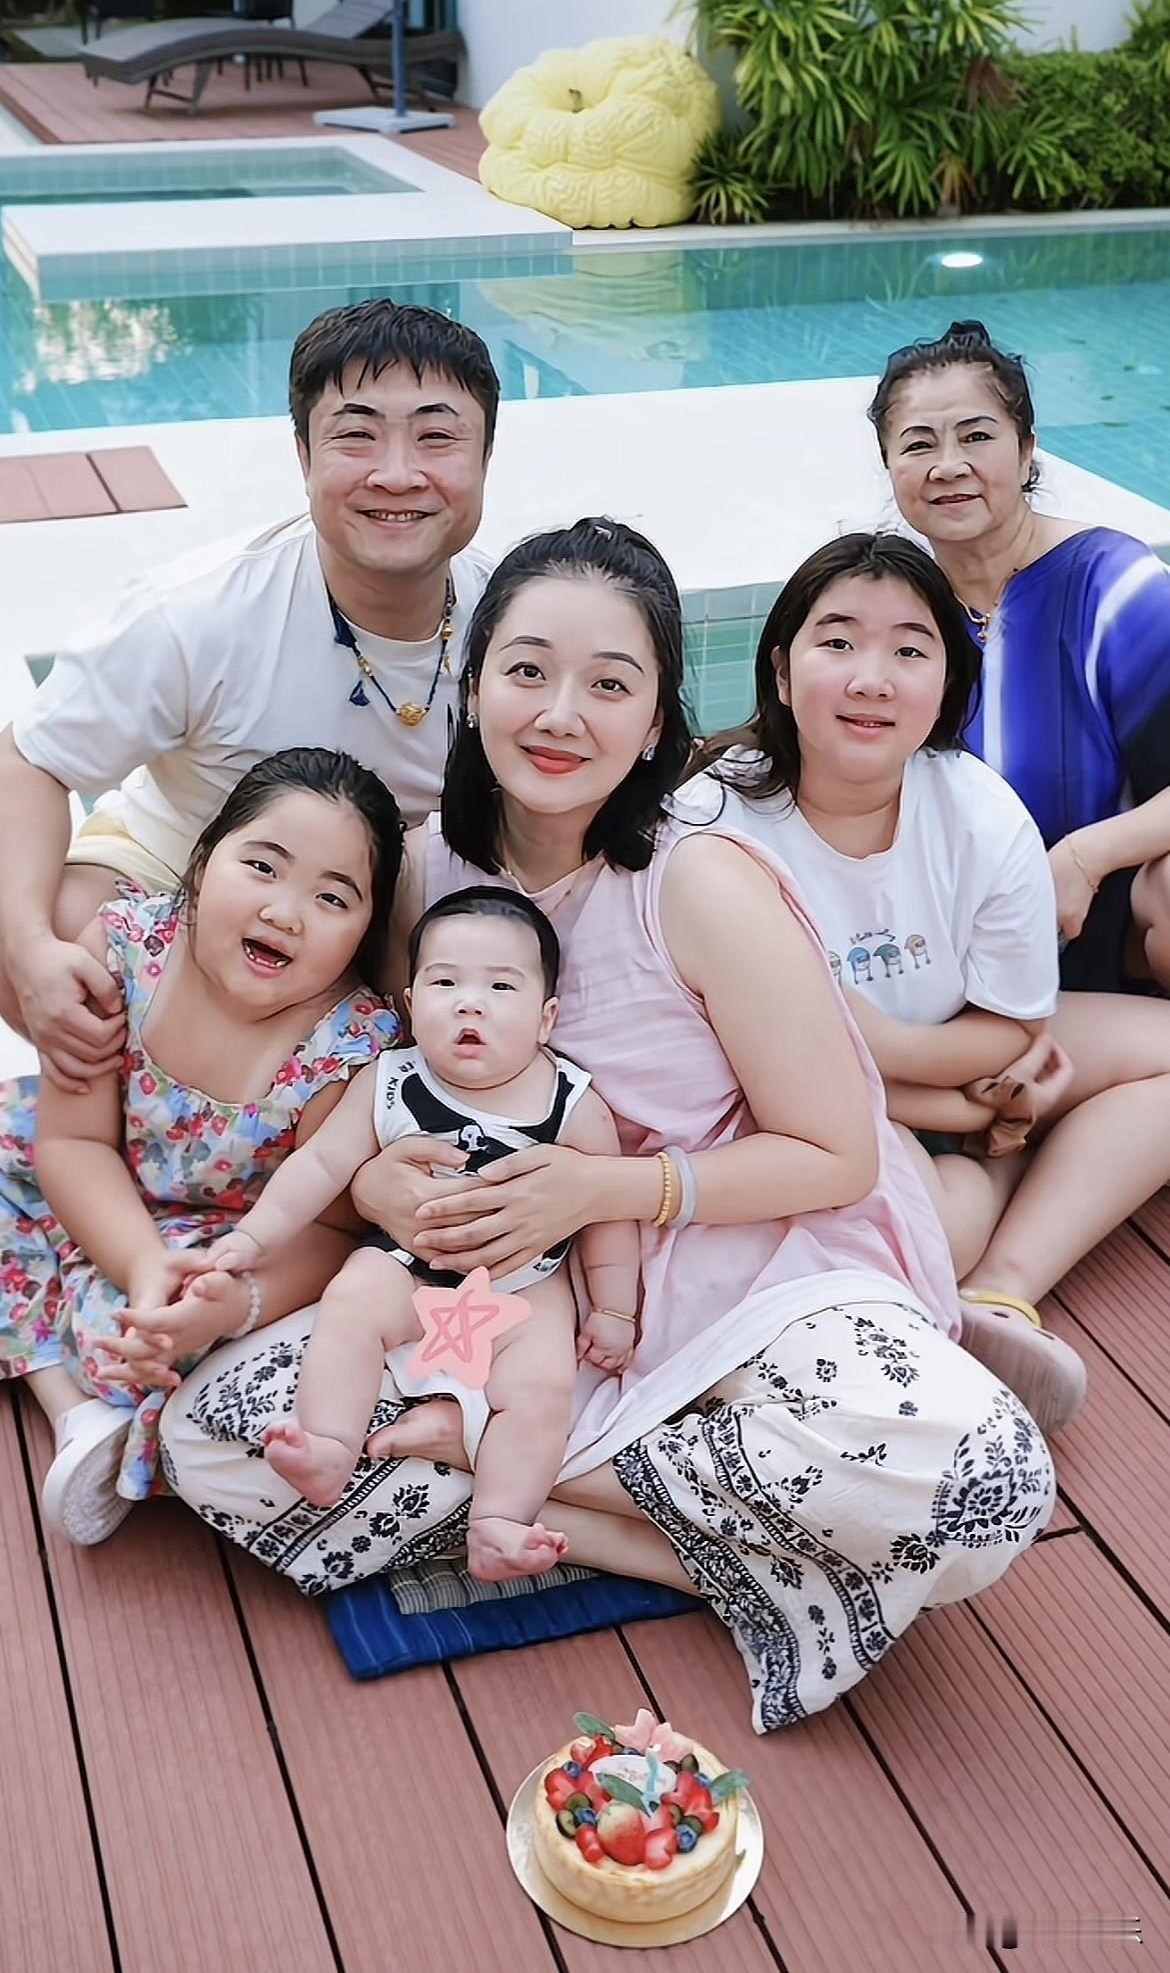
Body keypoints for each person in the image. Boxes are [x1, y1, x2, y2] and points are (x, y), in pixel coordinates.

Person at [160, 519, 1054, 1735]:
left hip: (740, 1268)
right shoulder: (420, 875)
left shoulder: (700, 883)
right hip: (506, 1299)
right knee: (214, 1443)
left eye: (610, 685)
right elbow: (369, 1098)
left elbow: (837, 1156)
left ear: (658, 722)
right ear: (473, 685)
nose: (560, 715)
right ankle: (708, 1534)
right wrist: (376, 1191)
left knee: (984, 1489)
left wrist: (601, 1192)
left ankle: (512, 1478)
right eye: (527, 671)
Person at [687, 531, 1170, 1433]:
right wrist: (967, 1108)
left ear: (950, 685)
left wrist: (915, 1055)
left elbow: (1009, 1028)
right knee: (930, 1228)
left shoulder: (980, 814)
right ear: (782, 672)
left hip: (950, 1050)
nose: (872, 678)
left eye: (910, 651)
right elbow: (738, 1061)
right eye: (838, 642)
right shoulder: (713, 822)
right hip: (804, 1109)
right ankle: (1001, 1168)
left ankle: (1003, 1292)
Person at [0, 299, 497, 1093]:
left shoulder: (517, 629)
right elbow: (29, 759)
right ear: (304, 454)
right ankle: (129, 1127)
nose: (398, 473)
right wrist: (28, 950)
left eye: (437, 438)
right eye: (357, 435)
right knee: (60, 935)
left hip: (379, 906)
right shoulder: (198, 613)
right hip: (183, 870)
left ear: (485, 457)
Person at [0, 748, 403, 1544]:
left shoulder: (350, 1047)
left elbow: (333, 1231)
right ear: (203, 860)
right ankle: (73, 1410)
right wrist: (140, 1263)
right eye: (262, 866)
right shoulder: (124, 948)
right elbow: (74, 1142)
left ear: (366, 929)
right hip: (95, 1187)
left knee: (164, 1338)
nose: (285, 912)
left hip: (227, 1243)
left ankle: (107, 1375)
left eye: (332, 897)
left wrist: (226, 1304)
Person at [206, 886, 640, 1583]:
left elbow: (610, 1212)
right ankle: (328, 1445)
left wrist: (615, 1308)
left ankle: (500, 1522)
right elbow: (319, 1164)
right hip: (407, 1262)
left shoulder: (574, 1104)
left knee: (541, 1388)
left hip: (526, 1285)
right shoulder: (390, 1081)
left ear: (546, 1017)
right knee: (352, 1302)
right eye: (445, 984)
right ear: (410, 1004)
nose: (470, 1004)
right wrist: (253, 1240)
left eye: (501, 986)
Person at [868, 316, 1170, 995]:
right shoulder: (890, 610)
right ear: (890, 467)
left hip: (1109, 925)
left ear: (1028, 450)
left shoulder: (1112, 588)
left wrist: (1086, 857)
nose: (949, 465)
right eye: (918, 444)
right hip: (949, 950)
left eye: (977, 436)